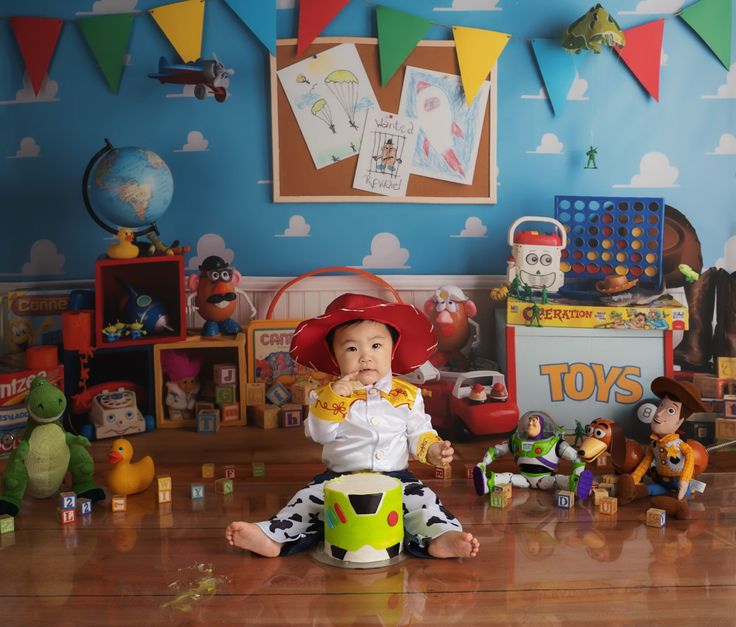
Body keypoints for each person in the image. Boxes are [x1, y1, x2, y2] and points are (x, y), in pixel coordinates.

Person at [226, 293, 479, 559]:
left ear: (392, 351)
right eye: (351, 349)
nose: (365, 357)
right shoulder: (325, 395)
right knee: (306, 503)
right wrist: (335, 397)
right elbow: (320, 433)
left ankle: (441, 537)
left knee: (425, 502)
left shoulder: (408, 395)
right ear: (335, 358)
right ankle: (272, 536)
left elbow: (419, 433)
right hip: (337, 479)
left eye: (376, 346)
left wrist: (434, 449)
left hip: (396, 479)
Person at [617, 377, 709, 519]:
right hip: (661, 482)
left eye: (670, 410)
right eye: (661, 406)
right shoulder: (654, 443)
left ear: (679, 422)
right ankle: (630, 493)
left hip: (678, 485)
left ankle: (679, 506)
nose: (659, 414)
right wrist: (634, 478)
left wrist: (684, 483)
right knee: (650, 490)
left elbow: (689, 461)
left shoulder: (681, 446)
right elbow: (646, 462)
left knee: (676, 496)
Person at [473, 411, 592, 499]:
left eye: (534, 421)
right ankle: (487, 483)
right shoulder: (516, 441)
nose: (530, 422)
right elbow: (496, 451)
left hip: (546, 478)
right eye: (529, 421)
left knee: (559, 480)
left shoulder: (556, 443)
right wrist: (483, 463)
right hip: (524, 477)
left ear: (541, 425)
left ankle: (576, 486)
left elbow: (576, 458)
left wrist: (578, 474)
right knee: (508, 478)